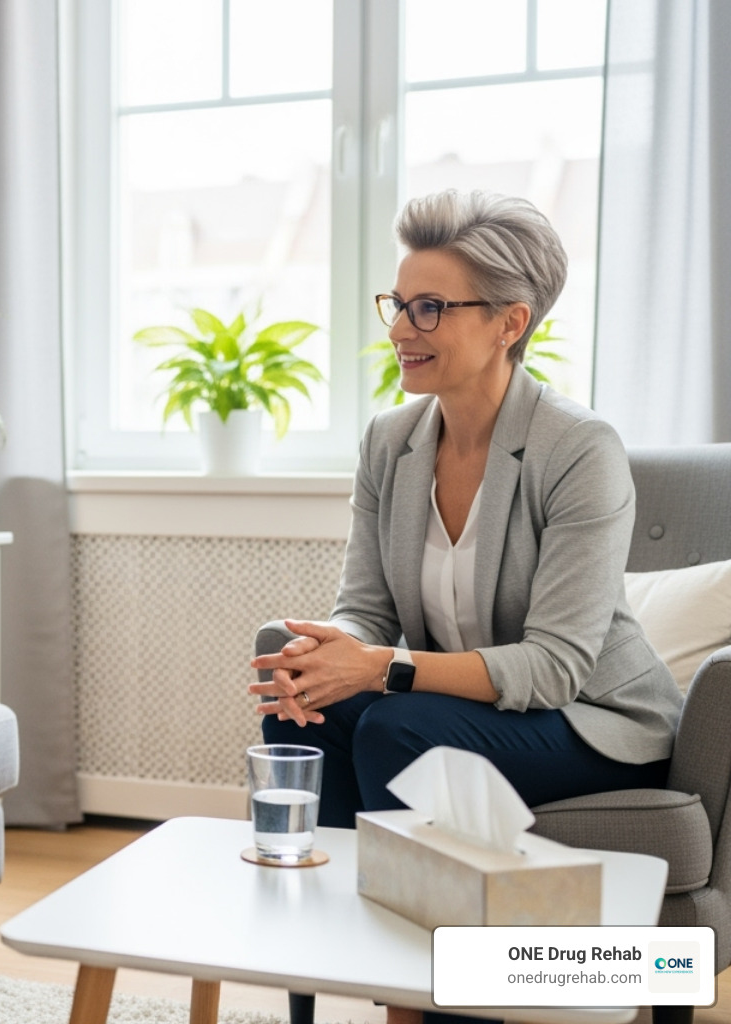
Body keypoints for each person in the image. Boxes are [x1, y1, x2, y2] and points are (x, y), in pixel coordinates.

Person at [250, 189, 683, 828]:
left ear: (510, 323)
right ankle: (327, 904)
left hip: (592, 722)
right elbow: (366, 609)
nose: (400, 330)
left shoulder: (578, 448)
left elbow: (554, 667)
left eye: (429, 309)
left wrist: (379, 668)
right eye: (398, 305)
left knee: (396, 726)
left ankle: (412, 914)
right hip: (458, 710)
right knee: (307, 708)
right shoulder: (389, 441)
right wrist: (333, 653)